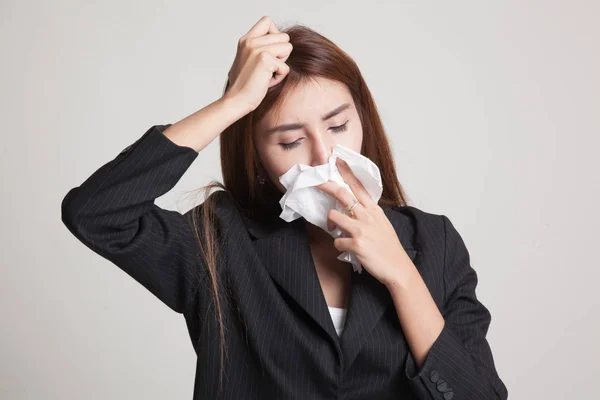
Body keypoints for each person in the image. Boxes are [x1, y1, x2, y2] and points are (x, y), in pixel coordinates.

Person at [61, 15, 508, 400]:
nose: (322, 155)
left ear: (363, 122)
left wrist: (402, 275)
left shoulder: (434, 242)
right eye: (290, 140)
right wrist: (233, 103)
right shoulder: (219, 240)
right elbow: (96, 213)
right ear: (256, 154)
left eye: (338, 125)